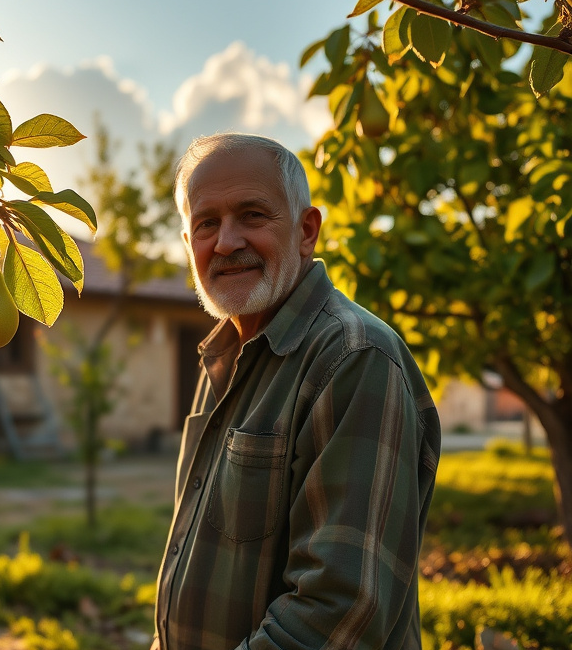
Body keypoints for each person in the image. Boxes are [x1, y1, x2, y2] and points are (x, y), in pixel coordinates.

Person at [152, 133, 440, 650]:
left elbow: (338, 611)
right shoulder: (223, 354)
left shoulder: (353, 358)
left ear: (307, 231)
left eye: (253, 215)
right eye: (206, 224)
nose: (226, 242)